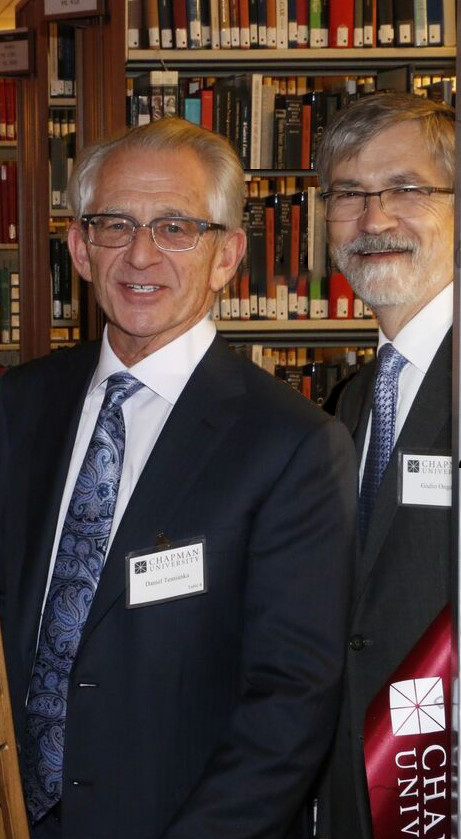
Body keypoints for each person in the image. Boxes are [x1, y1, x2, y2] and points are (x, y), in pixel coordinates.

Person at [0, 118, 358, 839]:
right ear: (80, 249)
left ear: (226, 256)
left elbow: (289, 704)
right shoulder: (26, 399)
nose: (140, 253)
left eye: (176, 226)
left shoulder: (292, 444)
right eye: (114, 225)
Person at [313, 93, 455, 839]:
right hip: (355, 794)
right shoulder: (349, 401)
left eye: (405, 188)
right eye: (347, 195)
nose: (373, 219)